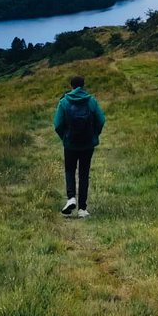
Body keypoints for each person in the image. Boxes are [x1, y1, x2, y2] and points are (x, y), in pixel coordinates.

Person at [54, 75, 105, 217]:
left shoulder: (64, 102)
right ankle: (82, 209)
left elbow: (57, 124)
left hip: (70, 144)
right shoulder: (91, 101)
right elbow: (101, 120)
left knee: (70, 170)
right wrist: (95, 135)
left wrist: (64, 138)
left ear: (71, 86)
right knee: (84, 174)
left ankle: (71, 198)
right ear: (83, 85)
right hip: (88, 144)